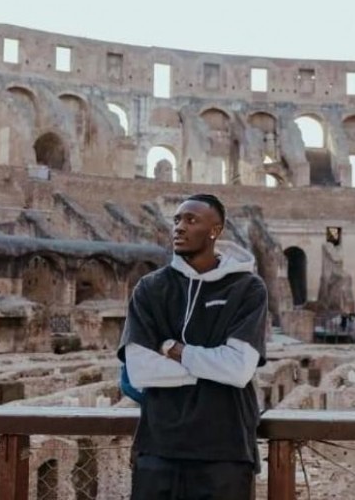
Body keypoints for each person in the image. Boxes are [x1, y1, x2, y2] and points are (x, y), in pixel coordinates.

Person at [118, 193, 268, 500]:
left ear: (215, 230)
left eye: (191, 220)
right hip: (158, 448)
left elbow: (239, 369)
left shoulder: (248, 288)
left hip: (225, 450)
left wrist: (174, 350)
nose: (179, 227)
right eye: (176, 220)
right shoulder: (150, 288)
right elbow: (139, 370)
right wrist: (212, 367)